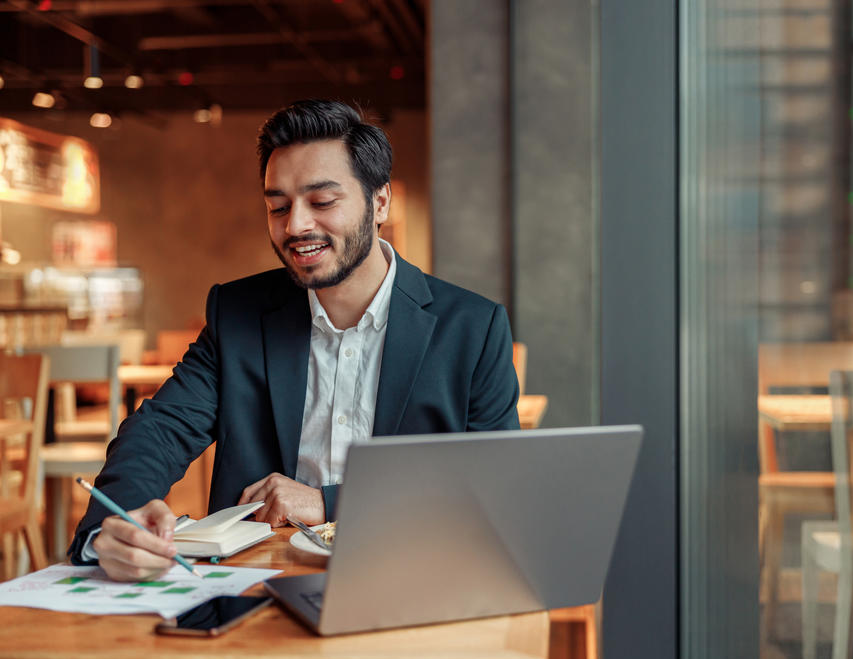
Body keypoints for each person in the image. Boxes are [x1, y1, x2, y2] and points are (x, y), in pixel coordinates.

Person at [69, 99, 520, 580]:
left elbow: (495, 484)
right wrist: (114, 524)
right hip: (256, 587)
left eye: (322, 202)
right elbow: (160, 431)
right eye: (277, 206)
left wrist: (327, 502)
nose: (296, 226)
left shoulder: (472, 327)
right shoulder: (239, 313)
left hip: (413, 573)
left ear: (380, 201)